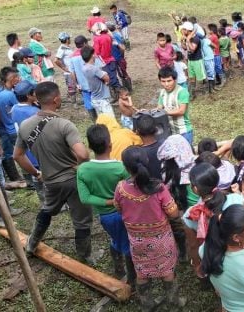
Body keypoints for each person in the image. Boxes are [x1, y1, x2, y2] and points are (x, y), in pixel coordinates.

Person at [13, 82, 93, 262]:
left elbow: (17, 156)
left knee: (47, 211)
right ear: (56, 99)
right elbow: (82, 153)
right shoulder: (64, 124)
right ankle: (85, 257)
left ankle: (32, 244)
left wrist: (36, 173)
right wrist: (80, 166)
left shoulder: (25, 125)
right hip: (73, 181)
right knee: (81, 220)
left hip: (49, 181)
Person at [114, 147, 185, 309]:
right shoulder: (159, 188)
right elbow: (173, 214)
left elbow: (118, 208)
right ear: (147, 163)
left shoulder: (121, 188)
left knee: (142, 271)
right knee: (167, 271)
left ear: (125, 167)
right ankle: (174, 302)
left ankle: (147, 304)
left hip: (137, 240)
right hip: (161, 239)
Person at [78, 125, 135, 285]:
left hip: (105, 216)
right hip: (124, 214)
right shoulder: (120, 168)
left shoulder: (83, 169)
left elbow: (85, 197)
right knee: (128, 245)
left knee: (115, 239)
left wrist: (105, 202)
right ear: (110, 145)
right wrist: (113, 201)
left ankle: (118, 269)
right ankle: (132, 280)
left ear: (89, 146)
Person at [0, 67, 25, 186]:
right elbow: (20, 108)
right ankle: (24, 176)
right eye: (17, 77)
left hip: (0, 128)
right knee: (21, 153)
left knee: (5, 153)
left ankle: (12, 177)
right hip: (12, 128)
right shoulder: (10, 95)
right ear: (12, 79)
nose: (19, 79)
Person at [11, 81, 44, 203]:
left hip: (25, 150)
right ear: (29, 96)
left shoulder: (15, 108)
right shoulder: (33, 112)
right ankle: (55, 203)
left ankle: (44, 201)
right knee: (46, 177)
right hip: (38, 150)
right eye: (34, 92)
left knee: (37, 176)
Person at [157, 66, 194, 145]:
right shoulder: (162, 92)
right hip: (170, 132)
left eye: (169, 81)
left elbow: (181, 111)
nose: (166, 84)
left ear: (175, 80)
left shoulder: (182, 92)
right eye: (163, 81)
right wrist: (148, 112)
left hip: (184, 132)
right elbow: (159, 109)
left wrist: (164, 112)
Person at [68, 35, 97, 121]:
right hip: (94, 83)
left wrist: (77, 84)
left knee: (88, 103)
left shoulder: (72, 57)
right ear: (84, 43)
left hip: (83, 85)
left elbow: (72, 73)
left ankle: (94, 120)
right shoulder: (90, 54)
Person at [81, 45, 114, 118]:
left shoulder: (84, 68)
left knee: (102, 120)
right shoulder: (94, 69)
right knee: (111, 121)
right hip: (102, 99)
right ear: (92, 55)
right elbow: (107, 78)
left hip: (94, 98)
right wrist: (105, 75)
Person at [92, 22, 120, 100]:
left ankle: (113, 97)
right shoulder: (109, 36)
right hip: (111, 59)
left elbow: (96, 53)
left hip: (103, 62)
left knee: (106, 80)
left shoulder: (97, 39)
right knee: (114, 79)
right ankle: (120, 95)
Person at [180, 21, 205, 99]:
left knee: (200, 78)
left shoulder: (195, 38)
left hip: (197, 60)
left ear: (187, 30)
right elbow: (185, 48)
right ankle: (192, 94)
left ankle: (205, 90)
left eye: (184, 30)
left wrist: (187, 40)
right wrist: (182, 41)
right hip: (190, 60)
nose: (182, 31)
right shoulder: (188, 37)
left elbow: (193, 49)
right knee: (191, 78)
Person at [54, 32, 77, 105]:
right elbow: (56, 60)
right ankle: (74, 103)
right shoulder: (62, 48)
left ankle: (71, 99)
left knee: (74, 86)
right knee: (72, 87)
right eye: (69, 38)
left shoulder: (66, 47)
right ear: (67, 39)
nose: (70, 39)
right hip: (69, 72)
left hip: (72, 70)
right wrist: (64, 68)